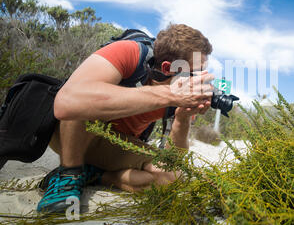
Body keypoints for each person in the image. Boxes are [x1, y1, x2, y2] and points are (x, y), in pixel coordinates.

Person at [37, 24, 215, 213]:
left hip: (117, 146)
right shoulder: (130, 52)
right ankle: (69, 173)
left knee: (174, 177)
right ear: (168, 68)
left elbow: (174, 160)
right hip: (70, 135)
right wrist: (169, 94)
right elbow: (67, 102)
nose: (200, 80)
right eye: (195, 73)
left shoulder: (183, 96)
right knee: (83, 101)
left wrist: (182, 118)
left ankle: (97, 174)